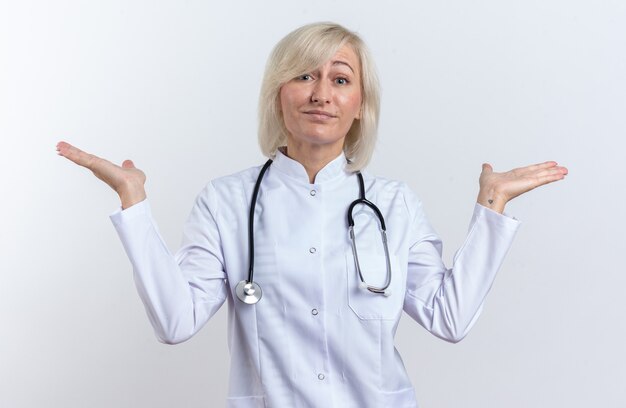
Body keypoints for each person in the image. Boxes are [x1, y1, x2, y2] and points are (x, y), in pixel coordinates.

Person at [57, 22, 568, 408]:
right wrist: (133, 202)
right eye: (304, 76)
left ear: (359, 105)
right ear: (278, 95)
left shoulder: (394, 204)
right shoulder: (227, 201)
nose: (322, 93)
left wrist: (493, 203)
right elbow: (175, 320)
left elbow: (449, 317)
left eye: (340, 79)